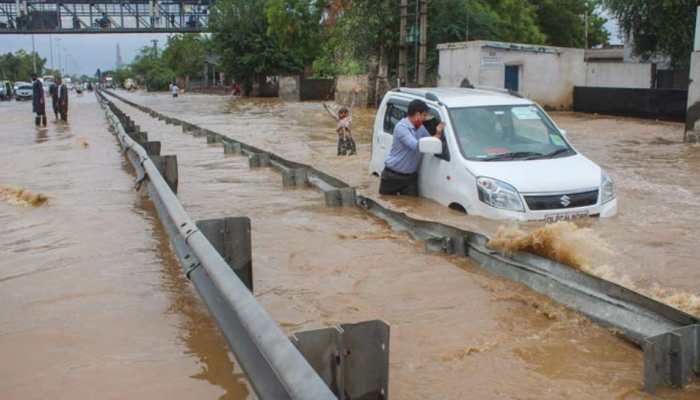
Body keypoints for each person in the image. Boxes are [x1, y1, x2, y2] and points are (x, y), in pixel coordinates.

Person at [379, 99, 444, 196]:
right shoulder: (401, 127)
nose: (425, 118)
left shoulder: (420, 127)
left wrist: (438, 134)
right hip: (392, 176)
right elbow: (417, 146)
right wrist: (436, 136)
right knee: (385, 205)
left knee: (412, 206)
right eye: (424, 115)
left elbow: (429, 140)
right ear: (417, 114)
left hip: (410, 178)